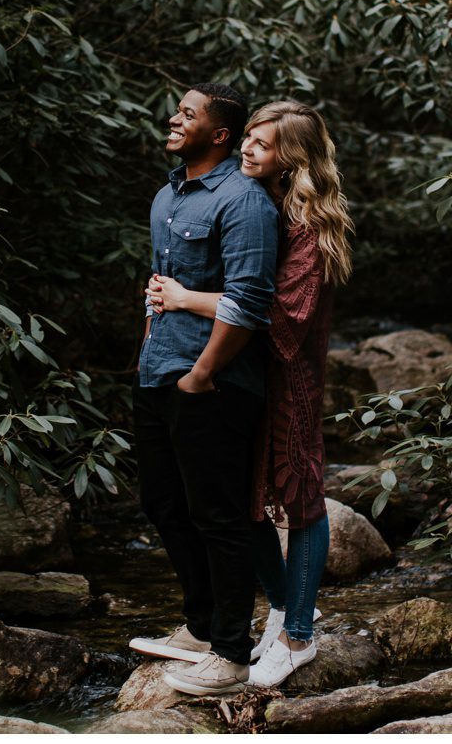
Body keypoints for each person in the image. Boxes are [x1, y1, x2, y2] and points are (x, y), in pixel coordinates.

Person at [147, 100, 351, 688]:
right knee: (245, 498)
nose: (248, 149)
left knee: (302, 495)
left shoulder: (310, 225)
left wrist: (186, 298)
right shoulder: (259, 204)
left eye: (262, 143)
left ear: (293, 155)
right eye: (249, 139)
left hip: (293, 380)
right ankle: (286, 610)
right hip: (248, 375)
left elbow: (279, 312)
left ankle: (299, 636)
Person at [127, 82, 280, 697]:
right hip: (157, 370)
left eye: (188, 114)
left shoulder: (245, 202)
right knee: (163, 504)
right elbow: (160, 282)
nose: (174, 118)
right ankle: (200, 626)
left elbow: (250, 301)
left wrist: (203, 374)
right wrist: (147, 345)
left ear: (219, 134)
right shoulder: (168, 194)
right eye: (177, 110)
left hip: (213, 384)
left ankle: (231, 655)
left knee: (218, 516)